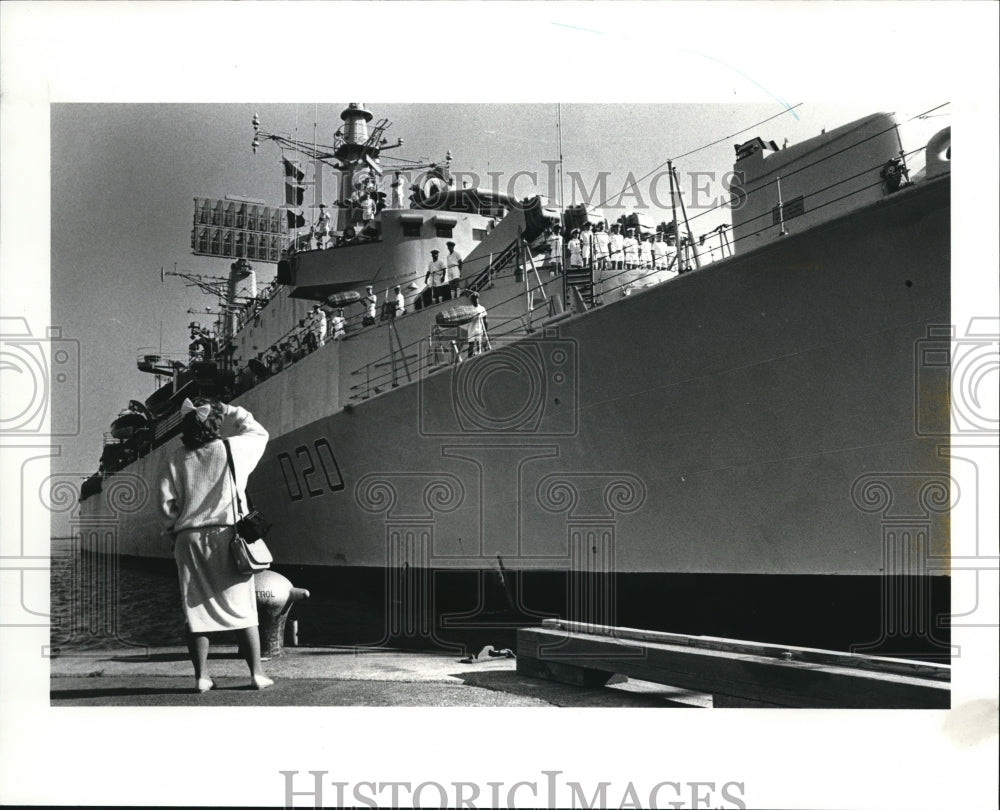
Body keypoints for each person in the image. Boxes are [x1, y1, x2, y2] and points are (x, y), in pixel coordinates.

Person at [158, 398, 272, 693]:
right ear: (215, 424)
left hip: (189, 539)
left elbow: (166, 505)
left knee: (195, 611)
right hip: (227, 535)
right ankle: (256, 674)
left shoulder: (174, 458)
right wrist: (232, 410)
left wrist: (174, 533)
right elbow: (259, 433)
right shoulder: (232, 448)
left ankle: (201, 677)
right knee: (244, 608)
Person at [466, 292, 488, 358]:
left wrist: (485, 332)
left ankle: (480, 357)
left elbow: (485, 320)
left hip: (479, 329)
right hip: (471, 330)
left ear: (478, 299)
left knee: (480, 345)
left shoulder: (482, 308)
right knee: (471, 346)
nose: (475, 300)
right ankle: (469, 360)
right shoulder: (468, 310)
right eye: (474, 299)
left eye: (476, 298)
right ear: (471, 300)